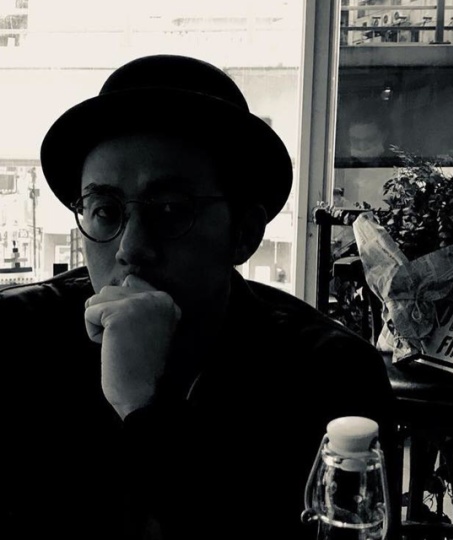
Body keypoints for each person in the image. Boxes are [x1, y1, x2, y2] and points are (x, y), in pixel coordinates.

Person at [0, 54, 395, 540]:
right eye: (104, 210)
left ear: (243, 233)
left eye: (169, 209)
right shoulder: (18, 340)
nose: (130, 248)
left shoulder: (327, 375)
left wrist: (144, 408)